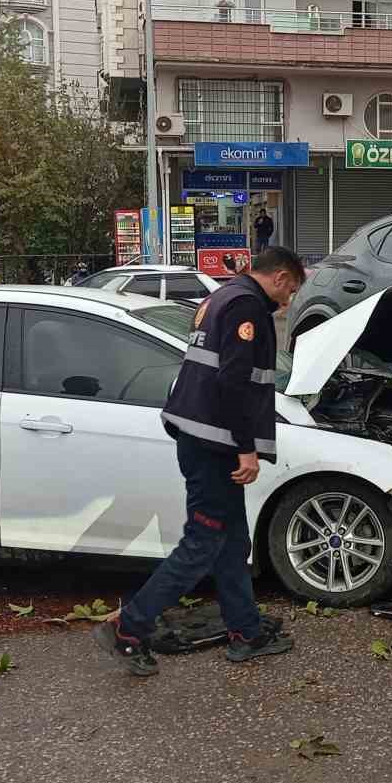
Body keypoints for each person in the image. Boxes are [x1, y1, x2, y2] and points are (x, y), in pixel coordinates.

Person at [99, 246, 307, 676]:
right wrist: (246, 448)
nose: (288, 301)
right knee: (202, 543)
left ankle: (245, 631)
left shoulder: (221, 297)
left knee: (232, 541)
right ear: (283, 277)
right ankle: (130, 627)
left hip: (201, 437)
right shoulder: (247, 305)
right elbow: (233, 380)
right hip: (216, 443)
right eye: (292, 290)